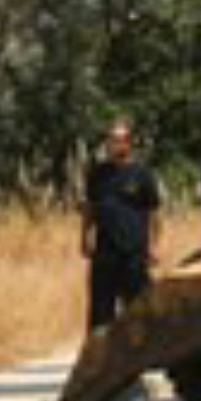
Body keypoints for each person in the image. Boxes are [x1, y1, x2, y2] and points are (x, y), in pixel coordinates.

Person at [82, 119, 162, 336]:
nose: (113, 145)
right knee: (100, 307)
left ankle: (142, 351)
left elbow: (154, 212)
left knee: (138, 306)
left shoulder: (142, 174)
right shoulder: (97, 174)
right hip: (105, 250)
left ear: (128, 143)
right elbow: (89, 207)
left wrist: (154, 247)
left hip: (133, 252)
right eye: (110, 140)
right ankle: (100, 357)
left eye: (118, 140)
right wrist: (85, 237)